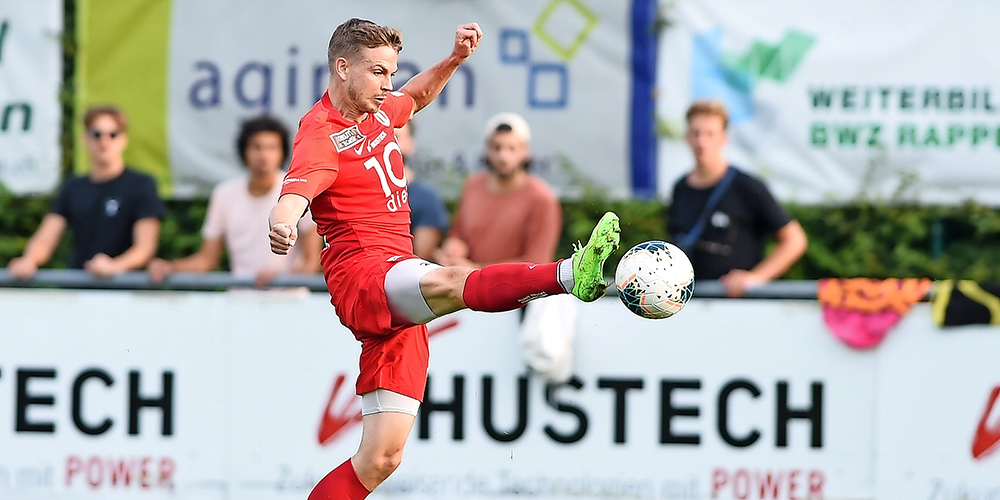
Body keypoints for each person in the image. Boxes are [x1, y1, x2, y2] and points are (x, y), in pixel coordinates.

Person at [266, 18, 620, 499]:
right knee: (451, 281)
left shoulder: (376, 109)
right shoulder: (319, 134)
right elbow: (295, 190)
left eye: (391, 71)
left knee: (380, 460)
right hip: (365, 275)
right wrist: (284, 221)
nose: (387, 84)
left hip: (397, 283)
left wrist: (453, 60)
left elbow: (414, 97)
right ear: (342, 67)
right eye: (377, 72)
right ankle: (567, 274)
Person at [147, 116, 321, 287]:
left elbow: (312, 260)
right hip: (240, 304)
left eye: (272, 147)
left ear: (282, 152)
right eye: (257, 147)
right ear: (244, 151)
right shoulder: (224, 194)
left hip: (290, 305)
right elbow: (206, 260)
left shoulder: (298, 191)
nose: (264, 155)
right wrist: (170, 267)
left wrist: (284, 280)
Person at [667, 100, 808, 297]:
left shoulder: (747, 187)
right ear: (687, 137)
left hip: (735, 306)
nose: (702, 142)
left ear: (724, 138)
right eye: (696, 133)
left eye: (710, 134)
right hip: (686, 302)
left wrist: (756, 278)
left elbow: (794, 240)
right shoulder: (680, 187)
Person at [7, 105, 165, 280]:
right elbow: (46, 237)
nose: (104, 142)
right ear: (85, 139)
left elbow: (145, 247)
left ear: (123, 140)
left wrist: (114, 266)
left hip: (125, 291)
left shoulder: (141, 185)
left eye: (113, 134)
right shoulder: (74, 187)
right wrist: (29, 261)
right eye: (97, 134)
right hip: (80, 291)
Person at [435, 112, 561, 268]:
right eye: (497, 147)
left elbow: (537, 263)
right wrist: (455, 246)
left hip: (515, 292)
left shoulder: (542, 199)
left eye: (512, 148)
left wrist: (475, 271)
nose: (503, 156)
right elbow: (458, 233)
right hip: (466, 287)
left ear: (526, 151)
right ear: (486, 150)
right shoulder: (472, 186)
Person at [394, 121, 449, 260]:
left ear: (410, 144)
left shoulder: (426, 198)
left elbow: (421, 259)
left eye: (395, 138)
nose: (387, 146)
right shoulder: (357, 193)